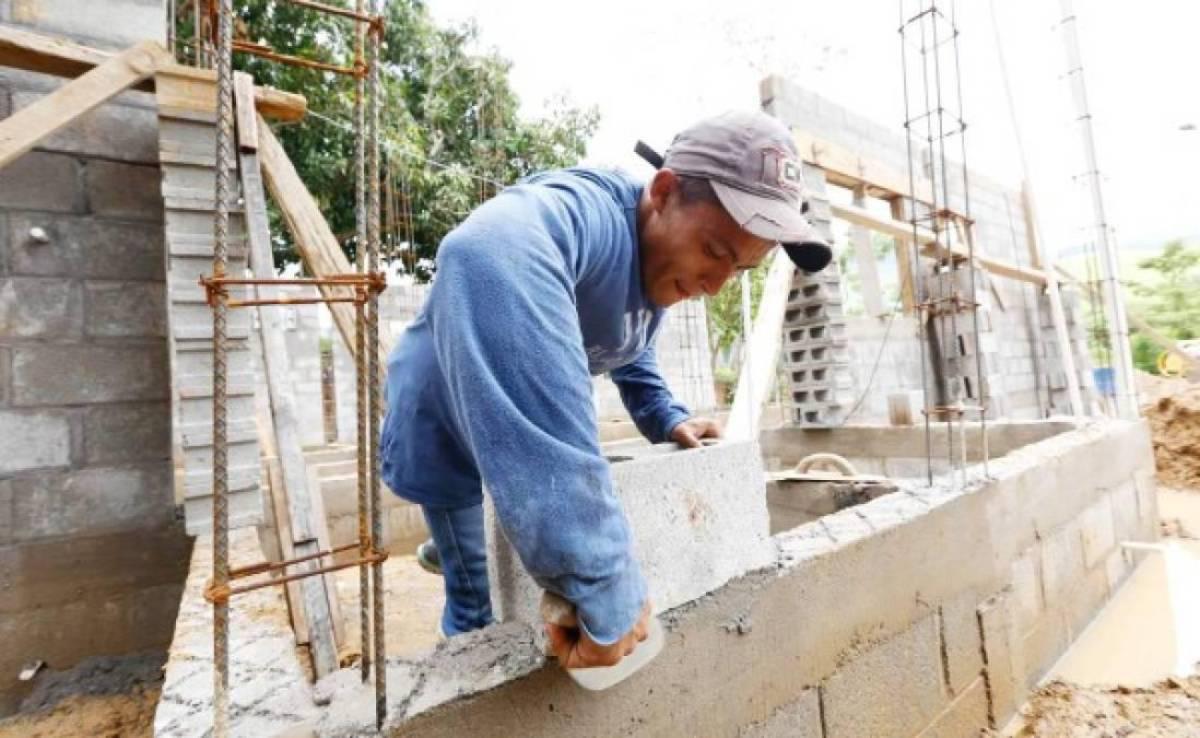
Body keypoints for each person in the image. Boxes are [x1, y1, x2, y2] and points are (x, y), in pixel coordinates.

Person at [379, 110, 831, 669]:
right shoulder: (585, 215)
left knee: (506, 543)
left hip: (506, 433)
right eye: (715, 251)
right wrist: (601, 574)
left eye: (737, 271)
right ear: (663, 192)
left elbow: (628, 339)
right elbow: (484, 250)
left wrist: (664, 415)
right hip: (443, 425)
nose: (715, 287)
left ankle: (449, 551)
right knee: (479, 604)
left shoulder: (659, 264)